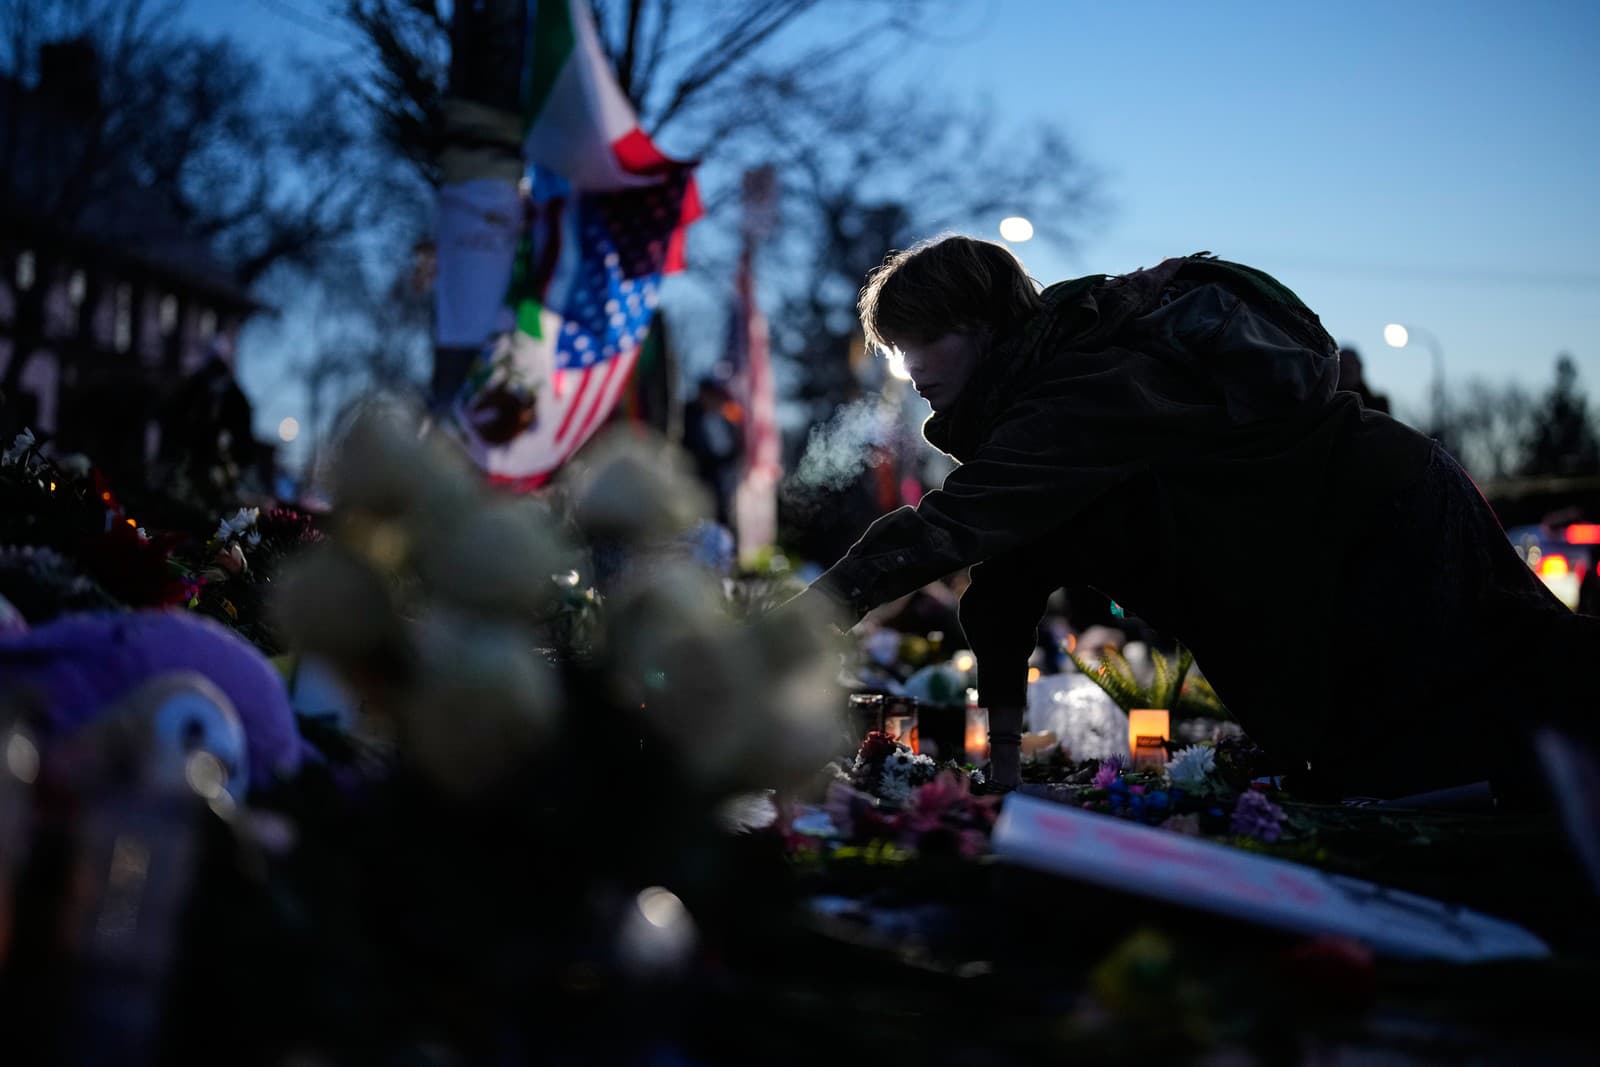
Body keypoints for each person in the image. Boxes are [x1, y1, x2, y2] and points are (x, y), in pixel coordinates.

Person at [789, 236, 1600, 824]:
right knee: (1421, 745)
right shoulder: (1026, 422)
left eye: (921, 340)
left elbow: (950, 524)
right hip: (1341, 533)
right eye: (897, 348)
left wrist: (807, 616)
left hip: (1381, 515)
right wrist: (1003, 770)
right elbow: (1001, 592)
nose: (909, 367)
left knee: (1491, 707)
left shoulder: (1079, 392)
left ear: (980, 324)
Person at [1336, 346, 1391, 414]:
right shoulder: (1328, 404)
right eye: (1342, 364)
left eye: (1351, 364)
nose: (1346, 367)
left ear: (1359, 368)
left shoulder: (1379, 404)